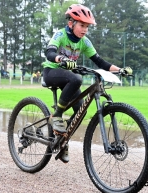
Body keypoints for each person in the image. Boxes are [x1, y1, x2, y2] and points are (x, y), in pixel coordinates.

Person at [42, 4, 132, 163]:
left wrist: (119, 70)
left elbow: (100, 62)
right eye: (82, 25)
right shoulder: (60, 34)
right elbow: (49, 52)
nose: (85, 29)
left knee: (80, 110)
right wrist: (61, 59)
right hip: (52, 72)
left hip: (68, 76)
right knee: (76, 78)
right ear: (71, 23)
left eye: (87, 27)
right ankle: (56, 116)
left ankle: (62, 142)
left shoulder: (85, 42)